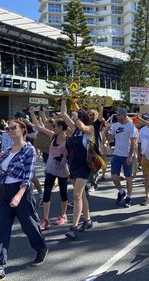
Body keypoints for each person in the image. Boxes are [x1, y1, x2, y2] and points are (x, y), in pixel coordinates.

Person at [0, 119, 48, 281]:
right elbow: (0, 173)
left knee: (30, 225)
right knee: (1, 229)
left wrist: (18, 196)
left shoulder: (29, 150)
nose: (10, 131)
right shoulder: (6, 150)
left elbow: (28, 177)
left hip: (21, 192)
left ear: (23, 130)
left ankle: (41, 248)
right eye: (7, 129)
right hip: (5, 192)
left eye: (13, 128)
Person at [60, 97, 95, 239]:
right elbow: (63, 113)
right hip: (74, 165)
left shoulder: (90, 129)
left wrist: (77, 115)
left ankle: (73, 227)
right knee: (81, 195)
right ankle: (87, 220)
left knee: (77, 195)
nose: (73, 119)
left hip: (85, 166)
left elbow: (82, 126)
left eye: (77, 117)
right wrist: (64, 99)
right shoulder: (75, 130)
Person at [29, 107, 69, 229]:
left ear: (61, 127)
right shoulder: (53, 136)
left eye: (55, 126)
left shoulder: (68, 140)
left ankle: (63, 215)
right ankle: (45, 219)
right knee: (47, 193)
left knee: (63, 193)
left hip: (63, 170)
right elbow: (38, 127)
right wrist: (32, 113)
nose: (52, 128)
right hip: (50, 169)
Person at [105, 107, 137, 208]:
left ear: (123, 115)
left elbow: (133, 143)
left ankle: (129, 197)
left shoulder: (131, 127)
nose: (117, 117)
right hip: (117, 154)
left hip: (126, 155)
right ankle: (121, 191)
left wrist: (130, 156)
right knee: (114, 177)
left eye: (118, 115)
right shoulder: (116, 125)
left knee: (128, 177)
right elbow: (110, 138)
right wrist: (106, 130)